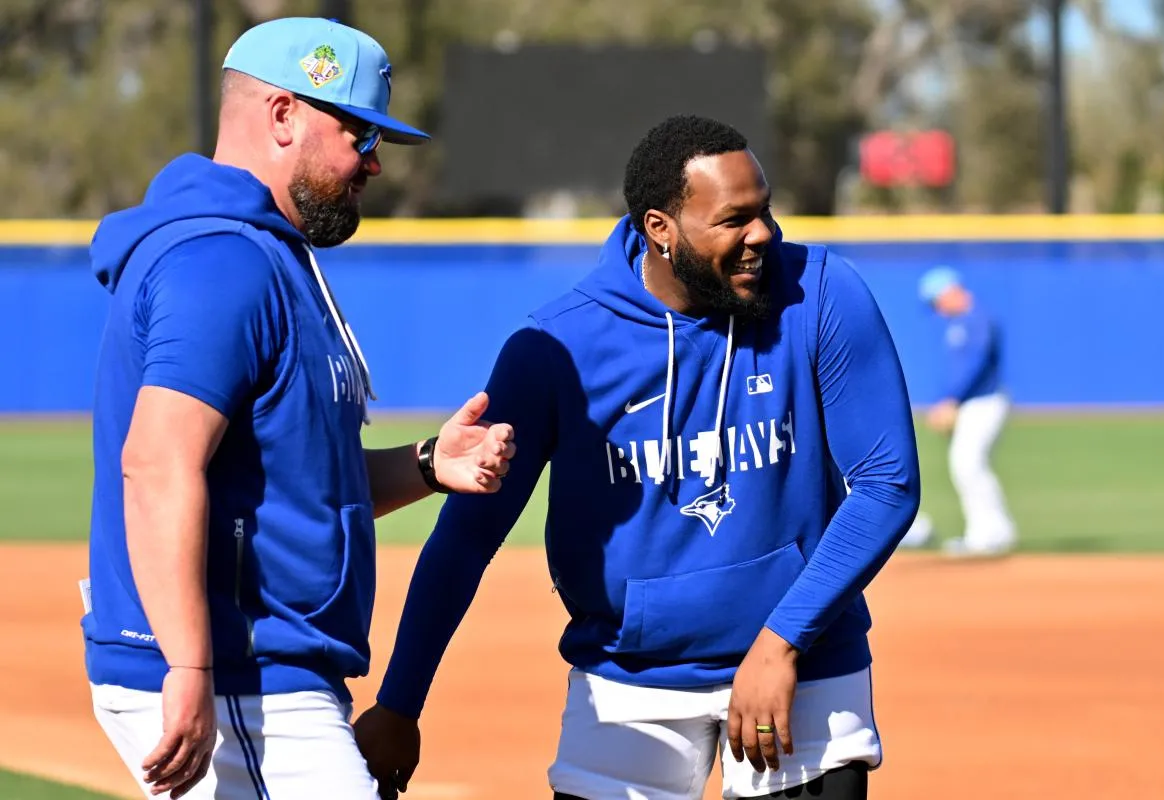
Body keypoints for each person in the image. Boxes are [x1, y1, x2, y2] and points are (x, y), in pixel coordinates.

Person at [354, 115, 920, 800]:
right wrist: (400, 703)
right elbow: (467, 536)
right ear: (660, 228)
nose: (763, 235)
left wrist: (781, 642)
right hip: (630, 680)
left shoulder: (821, 293)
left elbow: (887, 483)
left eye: (764, 210)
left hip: (803, 663)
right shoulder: (556, 348)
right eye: (734, 220)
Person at [82, 17, 516, 800]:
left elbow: (304, 480)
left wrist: (427, 465)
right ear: (283, 115)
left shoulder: (273, 258)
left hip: (262, 670)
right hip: (238, 669)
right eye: (359, 132)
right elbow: (155, 462)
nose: (375, 162)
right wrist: (189, 664)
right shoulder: (221, 261)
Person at [899, 267, 1016, 557]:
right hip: (972, 403)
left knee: (968, 463)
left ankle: (989, 533)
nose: (937, 310)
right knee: (967, 465)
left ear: (950, 291)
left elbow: (975, 365)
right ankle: (993, 531)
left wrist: (951, 400)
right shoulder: (961, 322)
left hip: (984, 401)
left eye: (936, 301)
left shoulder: (976, 319)